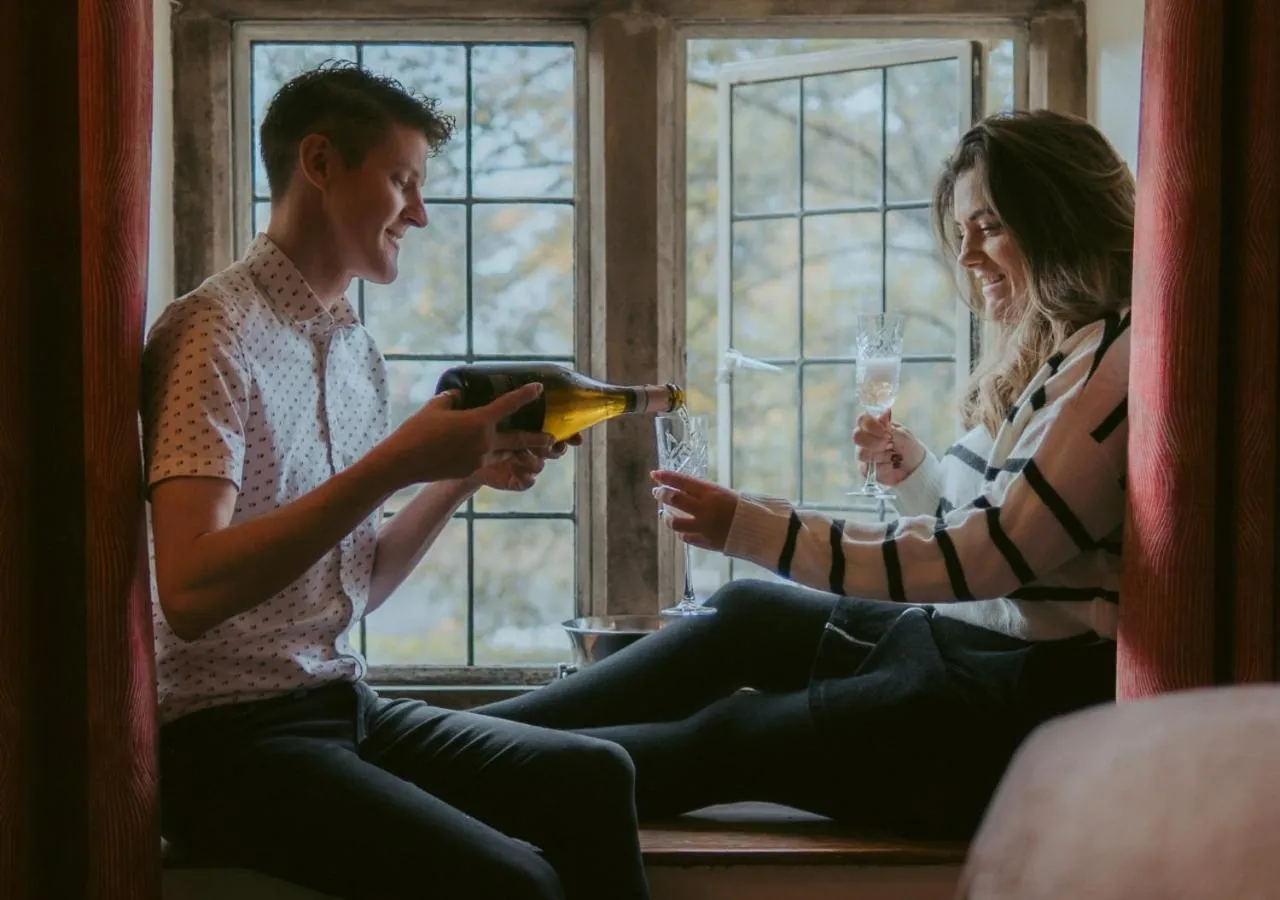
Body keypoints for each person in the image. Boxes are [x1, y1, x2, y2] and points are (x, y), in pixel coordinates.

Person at [475, 109, 1133, 840]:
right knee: (745, 611)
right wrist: (917, 472)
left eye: (991, 227)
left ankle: (446, 765)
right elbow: (989, 520)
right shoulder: (1071, 351)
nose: (969, 256)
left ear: (1061, 219)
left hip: (1014, 707)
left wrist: (750, 526)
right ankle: (439, 737)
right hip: (972, 649)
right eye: (962, 234)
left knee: (730, 735)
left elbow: (990, 555)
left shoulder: (1115, 371)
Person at [142, 61, 649, 900]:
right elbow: (189, 590)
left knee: (596, 774)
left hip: (343, 707)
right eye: (402, 181)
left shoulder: (357, 356)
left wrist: (458, 478)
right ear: (320, 161)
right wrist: (395, 464)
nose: (418, 212)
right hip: (227, 742)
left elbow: (353, 586)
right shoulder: (209, 333)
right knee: (516, 885)